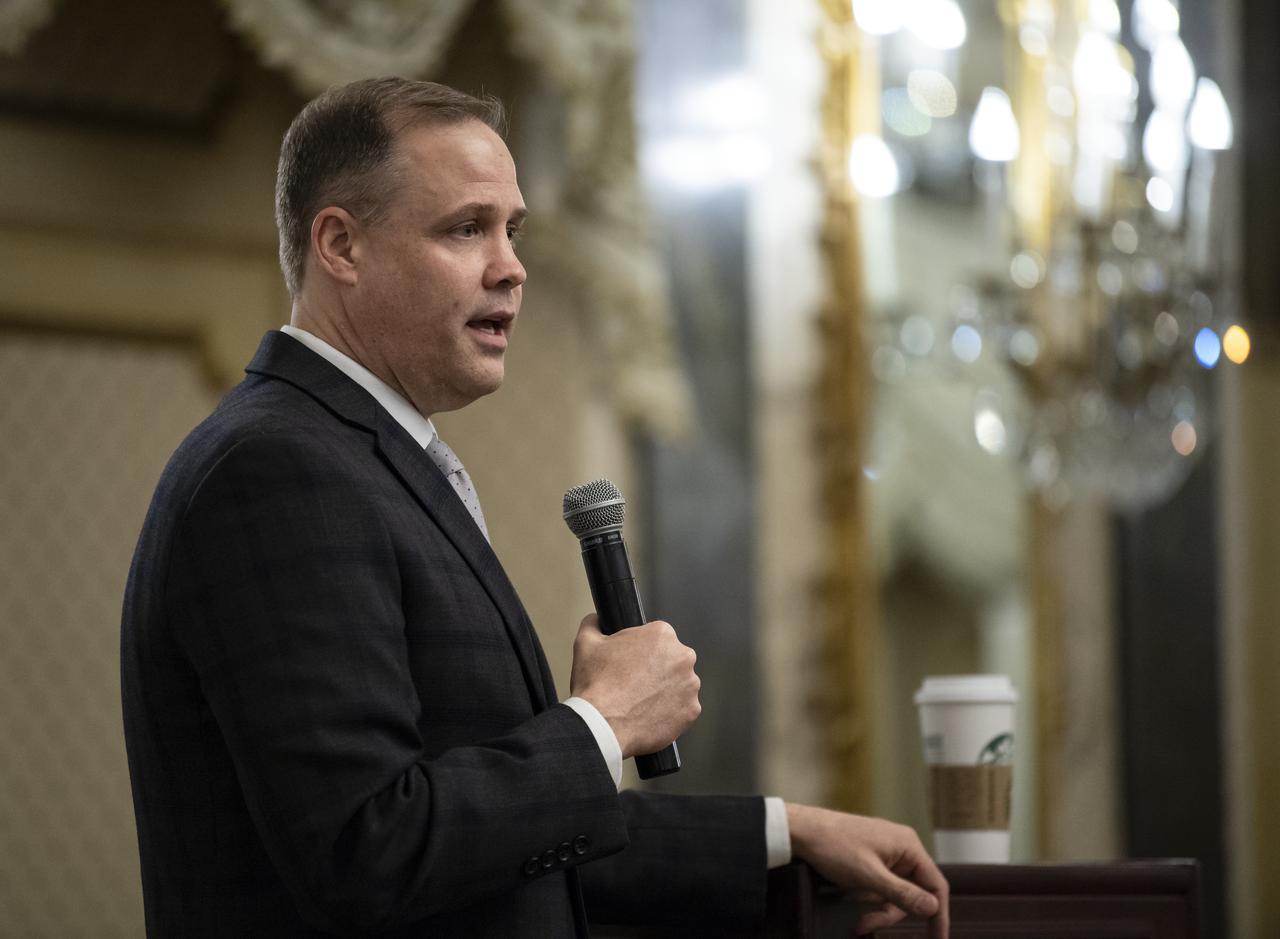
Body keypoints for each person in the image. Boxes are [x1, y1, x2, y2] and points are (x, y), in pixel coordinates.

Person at [121, 77, 949, 938]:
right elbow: (369, 850)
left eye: (512, 229)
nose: (512, 265)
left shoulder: (365, 458)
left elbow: (517, 847)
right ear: (340, 245)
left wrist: (785, 830)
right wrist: (602, 723)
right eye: (466, 227)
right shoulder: (282, 470)